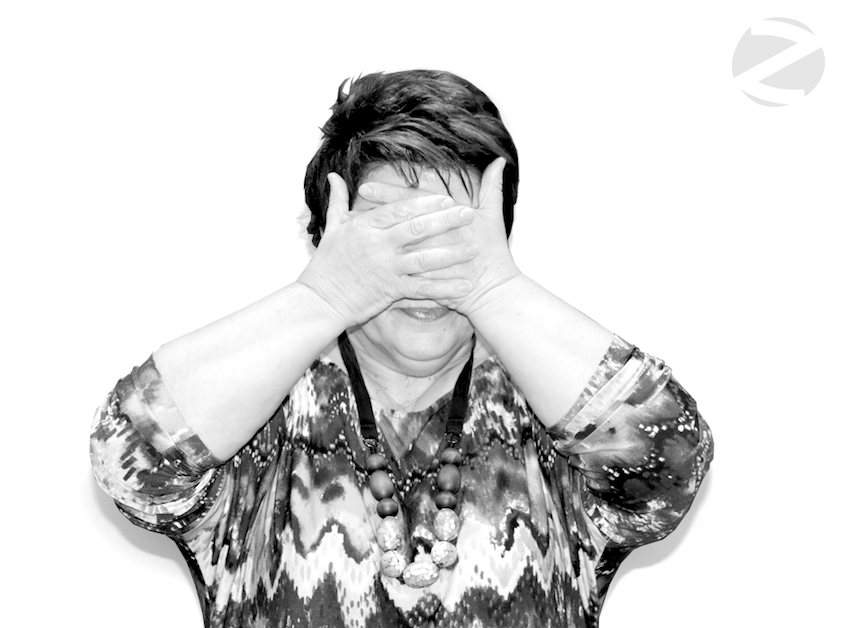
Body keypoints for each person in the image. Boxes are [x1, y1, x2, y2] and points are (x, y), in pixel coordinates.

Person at [90, 69, 713, 628]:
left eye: (452, 232)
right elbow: (131, 459)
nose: (421, 268)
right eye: (390, 235)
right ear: (327, 239)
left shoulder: (553, 411)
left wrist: (494, 290)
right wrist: (325, 296)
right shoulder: (259, 409)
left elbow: (671, 464)